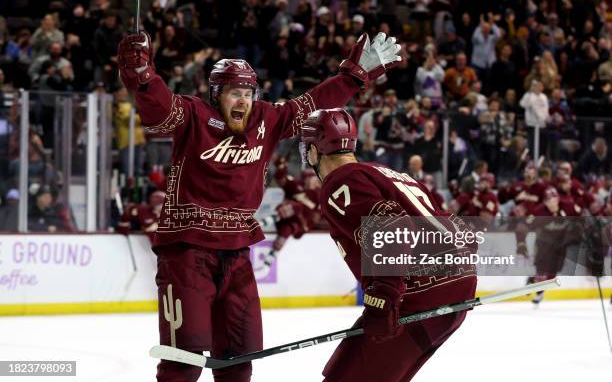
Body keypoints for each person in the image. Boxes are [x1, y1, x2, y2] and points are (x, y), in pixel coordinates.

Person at [117, 31, 400, 382]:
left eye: (249, 93)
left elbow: (311, 104)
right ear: (217, 94)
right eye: (235, 92)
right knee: (182, 359)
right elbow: (158, 108)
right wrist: (143, 74)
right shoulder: (193, 114)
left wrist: (354, 76)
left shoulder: (265, 119)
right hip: (187, 253)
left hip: (237, 253)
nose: (243, 101)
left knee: (239, 358)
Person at [301, 109, 476, 382]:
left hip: (416, 296)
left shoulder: (340, 181)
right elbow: (456, 228)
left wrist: (384, 295)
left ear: (313, 150)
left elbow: (392, 228)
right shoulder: (389, 173)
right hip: (454, 288)